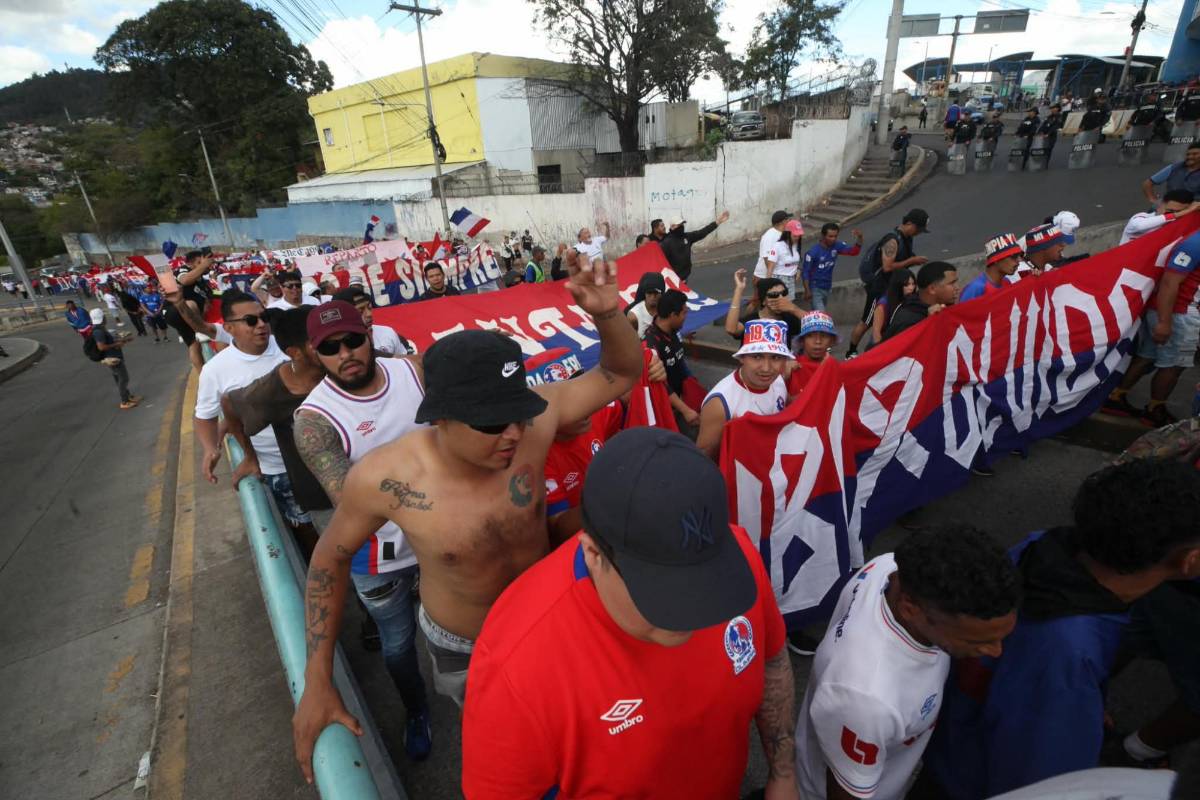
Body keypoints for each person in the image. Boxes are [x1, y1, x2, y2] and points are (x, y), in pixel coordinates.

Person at [292, 258, 645, 780]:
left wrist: (608, 313)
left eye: (519, 415)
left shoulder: (537, 420)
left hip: (547, 618)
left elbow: (620, 372)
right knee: (504, 754)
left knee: (575, 740)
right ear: (441, 416)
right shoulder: (387, 478)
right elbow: (329, 559)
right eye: (490, 422)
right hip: (465, 646)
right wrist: (318, 680)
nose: (513, 435)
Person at [461, 427, 798, 799]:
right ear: (593, 553)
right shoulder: (515, 670)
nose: (692, 611)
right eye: (662, 588)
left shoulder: (739, 558)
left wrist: (783, 774)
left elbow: (771, 658)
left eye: (703, 579)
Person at [919, 460, 1200, 800]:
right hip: (975, 780)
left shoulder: (1045, 546)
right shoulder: (1068, 655)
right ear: (1191, 561)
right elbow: (1043, 784)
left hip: (957, 739)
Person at [292, 300, 433, 761]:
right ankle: (416, 712)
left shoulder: (414, 371)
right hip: (379, 560)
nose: (345, 352)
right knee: (396, 647)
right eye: (330, 347)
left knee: (464, 629)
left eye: (352, 339)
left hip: (440, 541)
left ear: (369, 335)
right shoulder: (314, 421)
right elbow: (350, 502)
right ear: (315, 354)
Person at [795, 525, 1019, 800]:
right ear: (910, 609)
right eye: (977, 641)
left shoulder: (890, 567)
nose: (995, 651)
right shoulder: (865, 698)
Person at [194, 291, 314, 539]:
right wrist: (210, 448)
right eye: (251, 320)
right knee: (307, 531)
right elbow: (205, 415)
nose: (261, 325)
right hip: (277, 467)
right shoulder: (215, 370)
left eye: (264, 317)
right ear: (229, 328)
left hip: (320, 454)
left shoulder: (289, 346)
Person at [220, 307, 327, 562]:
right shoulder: (270, 391)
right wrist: (249, 456)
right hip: (321, 501)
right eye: (321, 342)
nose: (338, 347)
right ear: (295, 352)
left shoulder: (346, 366)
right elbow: (229, 405)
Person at [525, 348, 625, 547]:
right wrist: (613, 498)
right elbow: (558, 528)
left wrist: (653, 367)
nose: (582, 405)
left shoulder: (601, 410)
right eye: (565, 400)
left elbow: (630, 396)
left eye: (580, 390)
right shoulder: (535, 455)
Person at [1102, 228, 1200, 427]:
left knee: (1147, 356)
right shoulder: (1195, 243)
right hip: (1179, 313)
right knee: (1174, 365)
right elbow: (1169, 281)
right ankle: (1155, 409)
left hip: (1172, 311)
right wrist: (1164, 322)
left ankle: (1116, 397)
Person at [697, 318, 791, 459]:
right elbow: (703, 460)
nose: (766, 368)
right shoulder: (720, 404)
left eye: (776, 357)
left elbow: (788, 403)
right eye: (757, 356)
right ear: (742, 357)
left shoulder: (777, 379)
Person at [847, 209, 930, 357]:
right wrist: (911, 261)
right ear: (909, 223)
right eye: (918, 229)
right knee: (867, 321)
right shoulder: (892, 240)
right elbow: (887, 266)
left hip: (891, 285)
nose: (918, 233)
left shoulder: (906, 238)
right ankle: (851, 351)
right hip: (878, 286)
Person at [644, 288, 702, 429]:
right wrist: (685, 410)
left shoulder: (673, 332)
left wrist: (693, 385)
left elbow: (679, 361)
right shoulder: (651, 345)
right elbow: (660, 384)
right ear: (672, 315)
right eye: (684, 313)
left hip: (679, 402)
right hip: (663, 410)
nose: (686, 316)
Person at [165, 249, 217, 371]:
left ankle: (202, 375)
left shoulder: (203, 283)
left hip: (192, 318)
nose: (208, 265)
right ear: (193, 263)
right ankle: (200, 331)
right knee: (190, 304)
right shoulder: (183, 269)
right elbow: (185, 280)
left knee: (194, 345)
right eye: (201, 262)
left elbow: (208, 304)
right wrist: (204, 265)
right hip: (176, 310)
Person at [881, 261, 958, 342]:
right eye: (952, 283)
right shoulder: (908, 321)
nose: (957, 288)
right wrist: (929, 324)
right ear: (932, 289)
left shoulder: (946, 306)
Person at [726, 270, 804, 350]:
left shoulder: (789, 318)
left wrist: (794, 309)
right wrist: (738, 290)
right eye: (774, 295)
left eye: (784, 293)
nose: (781, 298)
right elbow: (731, 329)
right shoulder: (752, 321)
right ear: (763, 300)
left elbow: (815, 324)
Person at [332, 286, 415, 356]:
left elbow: (405, 363)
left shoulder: (387, 332)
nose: (369, 314)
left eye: (369, 307)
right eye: (360, 311)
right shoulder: (335, 346)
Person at [803, 223, 863, 311]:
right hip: (815, 288)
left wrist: (860, 238)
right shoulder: (813, 252)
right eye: (830, 236)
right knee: (821, 315)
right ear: (823, 236)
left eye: (835, 236)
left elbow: (854, 252)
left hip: (827, 287)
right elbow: (805, 272)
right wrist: (807, 290)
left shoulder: (837, 246)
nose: (833, 239)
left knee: (817, 315)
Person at [90, 308, 140, 410]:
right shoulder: (98, 331)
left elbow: (108, 343)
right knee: (123, 378)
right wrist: (117, 344)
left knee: (119, 378)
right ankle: (124, 401)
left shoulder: (100, 329)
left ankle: (128, 396)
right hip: (112, 358)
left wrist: (124, 340)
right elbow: (101, 347)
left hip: (113, 355)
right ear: (102, 317)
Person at [659, 211, 730, 282]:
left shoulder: (687, 237)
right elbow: (660, 262)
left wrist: (717, 222)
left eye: (682, 224)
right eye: (679, 225)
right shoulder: (666, 242)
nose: (681, 226)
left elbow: (702, 232)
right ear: (672, 226)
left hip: (684, 278)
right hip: (672, 281)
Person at [788, 310, 840, 398]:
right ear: (802, 341)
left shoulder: (837, 368)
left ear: (831, 341)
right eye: (810, 336)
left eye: (823, 336)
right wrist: (783, 375)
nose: (818, 341)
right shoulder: (791, 367)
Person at [960, 233, 1023, 303]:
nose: (1018, 261)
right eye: (1013, 256)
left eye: (1020, 255)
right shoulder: (975, 289)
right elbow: (961, 313)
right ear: (996, 259)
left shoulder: (1006, 282)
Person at [1120, 190, 1199, 245]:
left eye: (1179, 211)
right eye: (1169, 210)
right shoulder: (1141, 217)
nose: (1174, 214)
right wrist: (1181, 213)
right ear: (1160, 204)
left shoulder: (1179, 226)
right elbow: (1138, 226)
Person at [869, 269, 916, 348]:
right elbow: (876, 333)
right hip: (883, 343)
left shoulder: (912, 299)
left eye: (913, 284)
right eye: (906, 285)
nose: (911, 288)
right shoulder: (883, 305)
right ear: (898, 285)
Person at [763, 219, 804, 298]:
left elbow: (797, 260)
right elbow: (770, 268)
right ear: (787, 234)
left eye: (799, 235)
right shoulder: (778, 246)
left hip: (791, 280)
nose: (797, 238)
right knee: (779, 306)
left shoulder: (796, 245)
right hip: (779, 280)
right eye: (795, 235)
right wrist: (767, 287)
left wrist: (798, 269)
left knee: (789, 304)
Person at [755, 210, 794, 287]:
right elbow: (766, 258)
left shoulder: (784, 234)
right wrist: (771, 280)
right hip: (764, 278)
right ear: (782, 222)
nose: (790, 221)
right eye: (788, 219)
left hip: (777, 277)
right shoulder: (769, 236)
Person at [625, 271, 665, 338]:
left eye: (656, 293)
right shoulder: (633, 316)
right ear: (644, 293)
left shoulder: (666, 309)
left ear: (661, 293)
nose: (652, 297)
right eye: (649, 293)